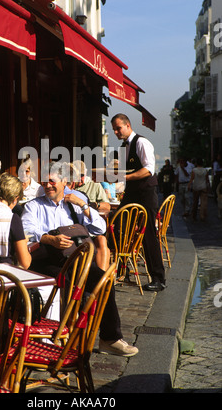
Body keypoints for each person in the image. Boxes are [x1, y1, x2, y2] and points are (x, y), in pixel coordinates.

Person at [22, 161, 138, 356]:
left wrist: (82, 205)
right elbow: (27, 231)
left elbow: (100, 229)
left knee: (102, 282)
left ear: (65, 181)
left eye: (52, 181)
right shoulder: (34, 206)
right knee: (65, 282)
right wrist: (49, 239)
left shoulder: (75, 203)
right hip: (47, 261)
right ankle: (59, 337)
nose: (48, 185)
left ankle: (109, 339)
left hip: (75, 260)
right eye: (45, 181)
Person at [0, 172, 58, 320]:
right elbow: (25, 263)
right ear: (15, 199)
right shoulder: (12, 218)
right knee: (52, 290)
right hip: (3, 282)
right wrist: (25, 245)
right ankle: (45, 337)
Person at [111, 113, 166, 292]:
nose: (116, 132)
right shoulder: (123, 147)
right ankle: (121, 269)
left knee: (148, 234)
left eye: (118, 128)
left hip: (145, 193)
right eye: (114, 129)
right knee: (117, 225)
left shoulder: (142, 143)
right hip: (131, 192)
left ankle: (158, 278)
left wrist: (125, 176)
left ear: (128, 125)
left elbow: (148, 170)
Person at [63, 162, 110, 270]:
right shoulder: (74, 194)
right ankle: (100, 279)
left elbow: (107, 205)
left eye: (82, 175)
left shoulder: (94, 186)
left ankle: (100, 279)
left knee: (101, 240)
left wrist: (92, 206)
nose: (81, 179)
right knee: (101, 241)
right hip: (76, 234)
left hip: (85, 228)